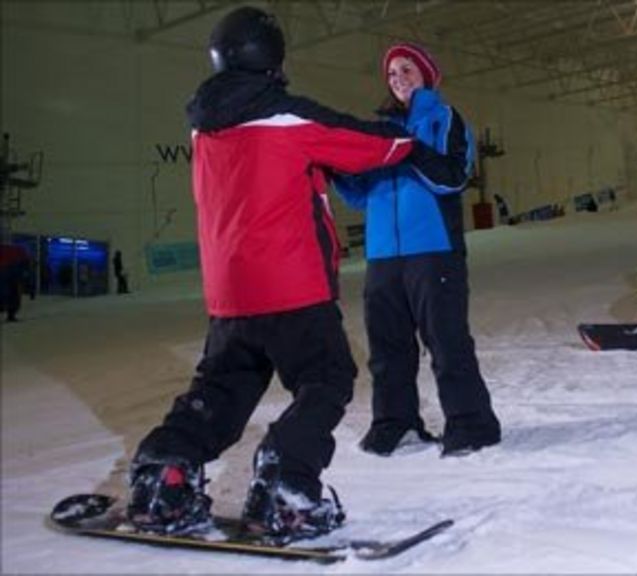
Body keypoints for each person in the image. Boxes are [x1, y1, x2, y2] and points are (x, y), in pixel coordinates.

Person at [125, 6, 419, 540]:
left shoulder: (203, 128)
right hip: (292, 286)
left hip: (230, 296)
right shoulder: (285, 118)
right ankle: (285, 483)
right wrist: (410, 134)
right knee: (327, 377)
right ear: (273, 56)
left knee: (222, 389)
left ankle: (163, 474)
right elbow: (374, 145)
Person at [333, 42, 501, 458]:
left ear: (426, 74)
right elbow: (360, 195)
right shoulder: (381, 127)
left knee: (446, 343)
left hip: (434, 251)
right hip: (383, 256)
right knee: (387, 348)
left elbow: (452, 178)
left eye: (406, 69)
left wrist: (408, 146)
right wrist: (336, 168)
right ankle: (395, 423)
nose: (398, 79)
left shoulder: (444, 119)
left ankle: (471, 425)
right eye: (392, 74)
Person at [0, 243, 30, 322]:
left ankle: (10, 313)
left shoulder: (18, 249)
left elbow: (25, 262)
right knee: (12, 294)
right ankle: (11, 314)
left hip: (8, 273)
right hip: (12, 273)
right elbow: (26, 262)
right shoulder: (19, 250)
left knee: (8, 293)